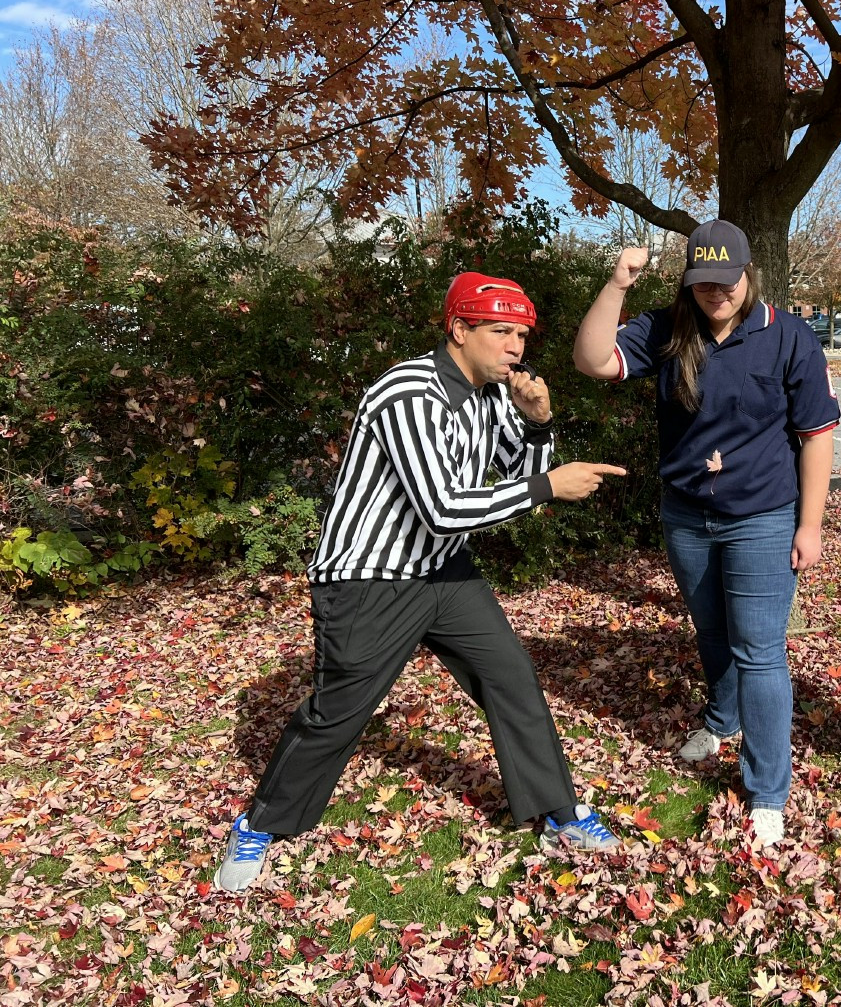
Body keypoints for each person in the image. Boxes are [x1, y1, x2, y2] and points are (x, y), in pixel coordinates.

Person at [215, 273, 629, 892]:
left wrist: (539, 426)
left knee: (510, 678)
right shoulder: (409, 393)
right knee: (339, 712)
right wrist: (548, 482)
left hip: (445, 572)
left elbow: (519, 482)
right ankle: (259, 826)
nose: (515, 346)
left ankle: (559, 813)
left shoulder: (491, 395)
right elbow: (445, 506)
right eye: (500, 331)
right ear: (459, 329)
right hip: (369, 578)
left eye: (521, 334)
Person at [572, 223, 838, 848]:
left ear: (750, 273)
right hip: (688, 514)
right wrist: (616, 284)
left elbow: (818, 433)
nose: (716, 292)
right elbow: (591, 360)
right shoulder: (669, 329)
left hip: (763, 515)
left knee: (760, 648)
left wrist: (810, 525)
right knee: (712, 629)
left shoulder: (788, 336)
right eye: (702, 282)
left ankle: (768, 788)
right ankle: (722, 717)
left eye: (727, 280)